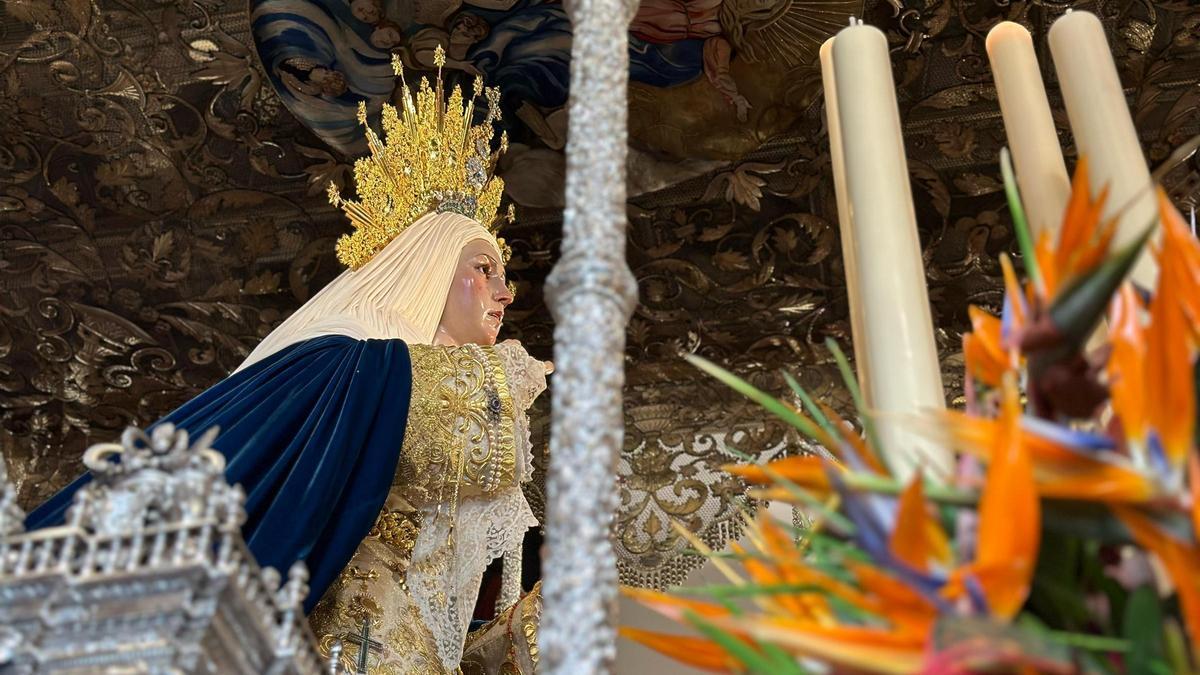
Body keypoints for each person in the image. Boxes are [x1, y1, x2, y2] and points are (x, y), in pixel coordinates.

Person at [27, 54, 547, 674]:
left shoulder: (378, 378)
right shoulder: (345, 365)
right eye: (484, 269)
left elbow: (430, 616)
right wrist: (496, 377)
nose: (505, 293)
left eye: (505, 276)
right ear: (428, 274)